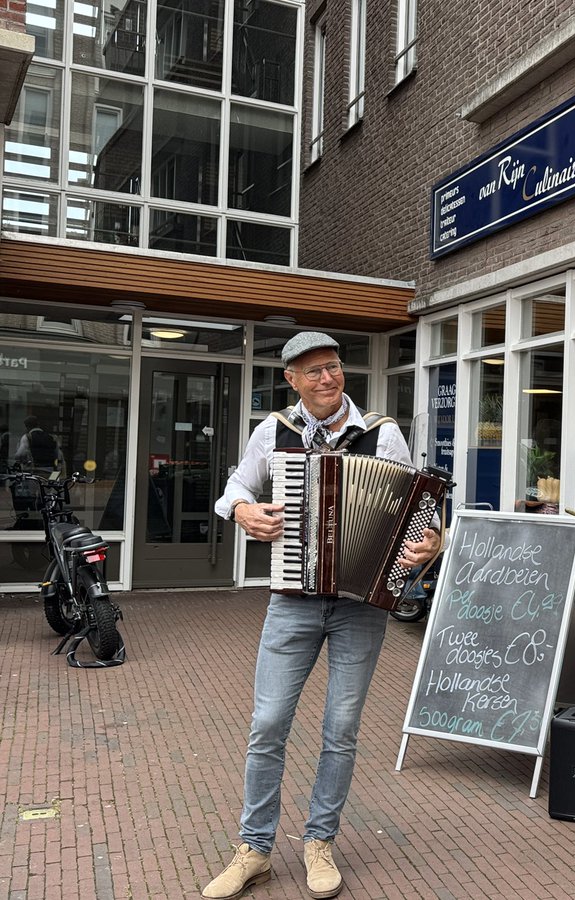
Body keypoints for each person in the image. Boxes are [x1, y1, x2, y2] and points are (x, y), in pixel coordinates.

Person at [203, 332, 441, 900]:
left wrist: (430, 541)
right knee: (268, 724)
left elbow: (417, 508)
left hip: (361, 605)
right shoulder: (273, 431)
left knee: (341, 729)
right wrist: (242, 510)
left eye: (333, 367)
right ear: (292, 380)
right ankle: (254, 850)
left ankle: (320, 842)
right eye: (313, 371)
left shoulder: (382, 434)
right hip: (293, 600)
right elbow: (234, 487)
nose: (327, 378)